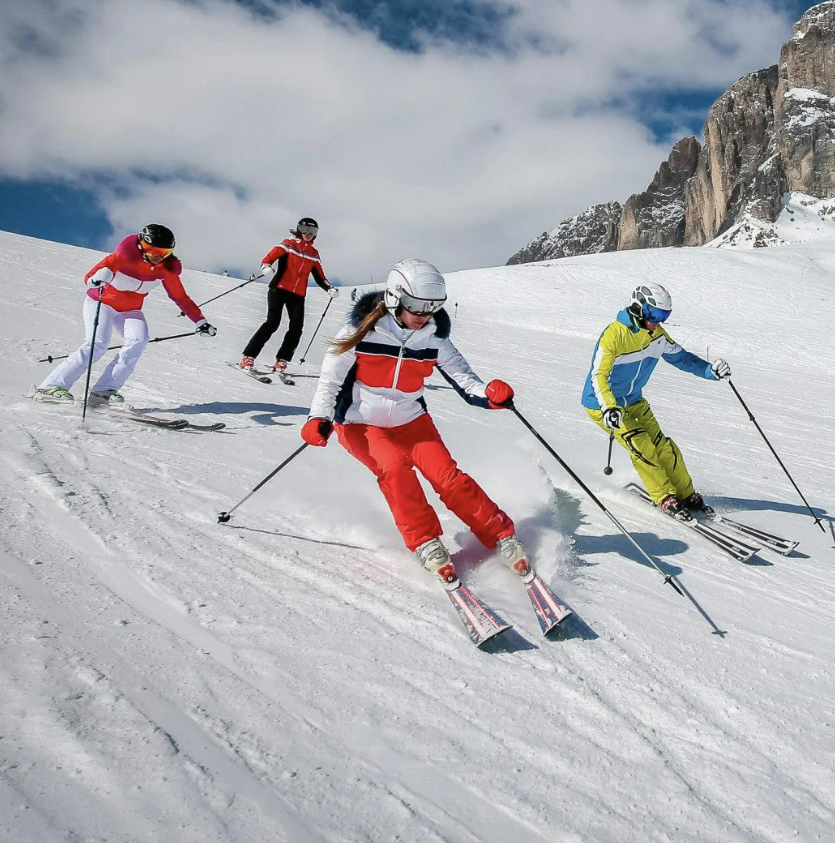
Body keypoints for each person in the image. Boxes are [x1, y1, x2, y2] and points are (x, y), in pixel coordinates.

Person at [300, 258, 532, 586]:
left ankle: (501, 534)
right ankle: (425, 541)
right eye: (418, 305)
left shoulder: (434, 336)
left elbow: (465, 381)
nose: (425, 313)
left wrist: (491, 393)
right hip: (360, 423)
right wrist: (318, 417)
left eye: (433, 306)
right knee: (394, 469)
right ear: (396, 298)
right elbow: (330, 380)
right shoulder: (363, 330)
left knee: (448, 478)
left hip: (411, 421)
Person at [582, 282, 728, 515]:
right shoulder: (614, 335)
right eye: (654, 314)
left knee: (663, 445)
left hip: (635, 401)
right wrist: (609, 407)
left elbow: (683, 359)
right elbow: (598, 375)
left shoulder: (656, 336)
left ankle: (686, 493)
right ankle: (665, 496)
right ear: (638, 308)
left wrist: (711, 371)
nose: (657, 321)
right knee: (642, 444)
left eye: (663, 316)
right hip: (603, 405)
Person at [33, 224, 215, 405]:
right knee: (97, 343)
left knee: (139, 340)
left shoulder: (165, 270)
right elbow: (89, 278)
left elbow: (180, 297)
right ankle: (50, 387)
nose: (157, 256)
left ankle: (104, 390)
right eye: (151, 250)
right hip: (101, 302)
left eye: (164, 252)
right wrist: (96, 278)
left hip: (130, 310)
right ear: (140, 245)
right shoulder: (123, 257)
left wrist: (200, 321)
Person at [238, 217, 334, 380]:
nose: (308, 234)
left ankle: (282, 360)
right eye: (304, 229)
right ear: (299, 229)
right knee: (272, 323)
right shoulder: (288, 244)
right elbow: (268, 258)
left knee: (296, 328)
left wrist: (329, 288)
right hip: (279, 289)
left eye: (312, 231)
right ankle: (248, 357)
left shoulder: (314, 254)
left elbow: (319, 277)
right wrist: (266, 266)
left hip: (298, 295)